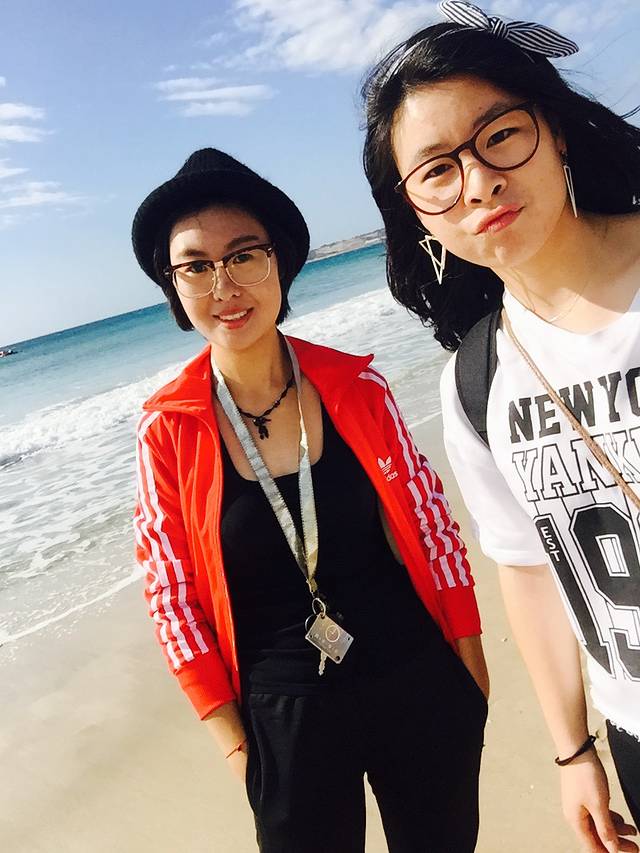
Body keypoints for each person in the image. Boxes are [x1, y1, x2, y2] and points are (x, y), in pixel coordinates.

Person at [131, 147, 488, 852]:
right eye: (195, 266)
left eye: (244, 255)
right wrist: (235, 744)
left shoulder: (357, 387)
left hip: (414, 672)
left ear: (280, 264)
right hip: (281, 713)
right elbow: (171, 597)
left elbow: (430, 521)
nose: (224, 285)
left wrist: (470, 662)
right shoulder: (168, 429)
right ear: (174, 286)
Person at [362, 1, 640, 851]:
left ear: (555, 131)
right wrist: (574, 749)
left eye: (500, 136)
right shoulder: (476, 380)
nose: (478, 181)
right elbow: (529, 568)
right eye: (437, 170)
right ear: (414, 211)